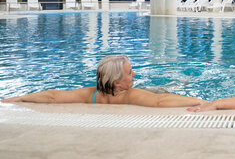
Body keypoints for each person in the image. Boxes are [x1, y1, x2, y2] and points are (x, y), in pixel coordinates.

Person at [2, 55, 204, 108]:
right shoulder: (130, 95)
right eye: (130, 72)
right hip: (145, 93)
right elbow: (161, 101)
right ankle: (183, 82)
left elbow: (53, 96)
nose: (134, 74)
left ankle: (180, 82)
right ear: (117, 82)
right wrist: (201, 102)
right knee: (161, 90)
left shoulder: (92, 94)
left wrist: (19, 98)